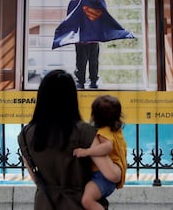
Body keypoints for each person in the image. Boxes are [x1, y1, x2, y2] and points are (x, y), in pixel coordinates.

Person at [17, 70, 108, 210]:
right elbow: (110, 173)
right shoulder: (85, 132)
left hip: (44, 204)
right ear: (72, 98)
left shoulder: (26, 135)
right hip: (79, 203)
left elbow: (36, 179)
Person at [51, 0, 135, 89]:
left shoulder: (74, 3)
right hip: (94, 39)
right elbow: (106, 18)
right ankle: (93, 82)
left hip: (81, 40)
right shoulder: (99, 2)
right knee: (94, 61)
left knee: (80, 62)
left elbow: (71, 19)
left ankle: (80, 82)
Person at [73, 95, 127, 210]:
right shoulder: (116, 130)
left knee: (87, 200)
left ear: (95, 116)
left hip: (102, 177)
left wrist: (86, 152)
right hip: (107, 175)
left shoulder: (103, 132)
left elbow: (107, 147)